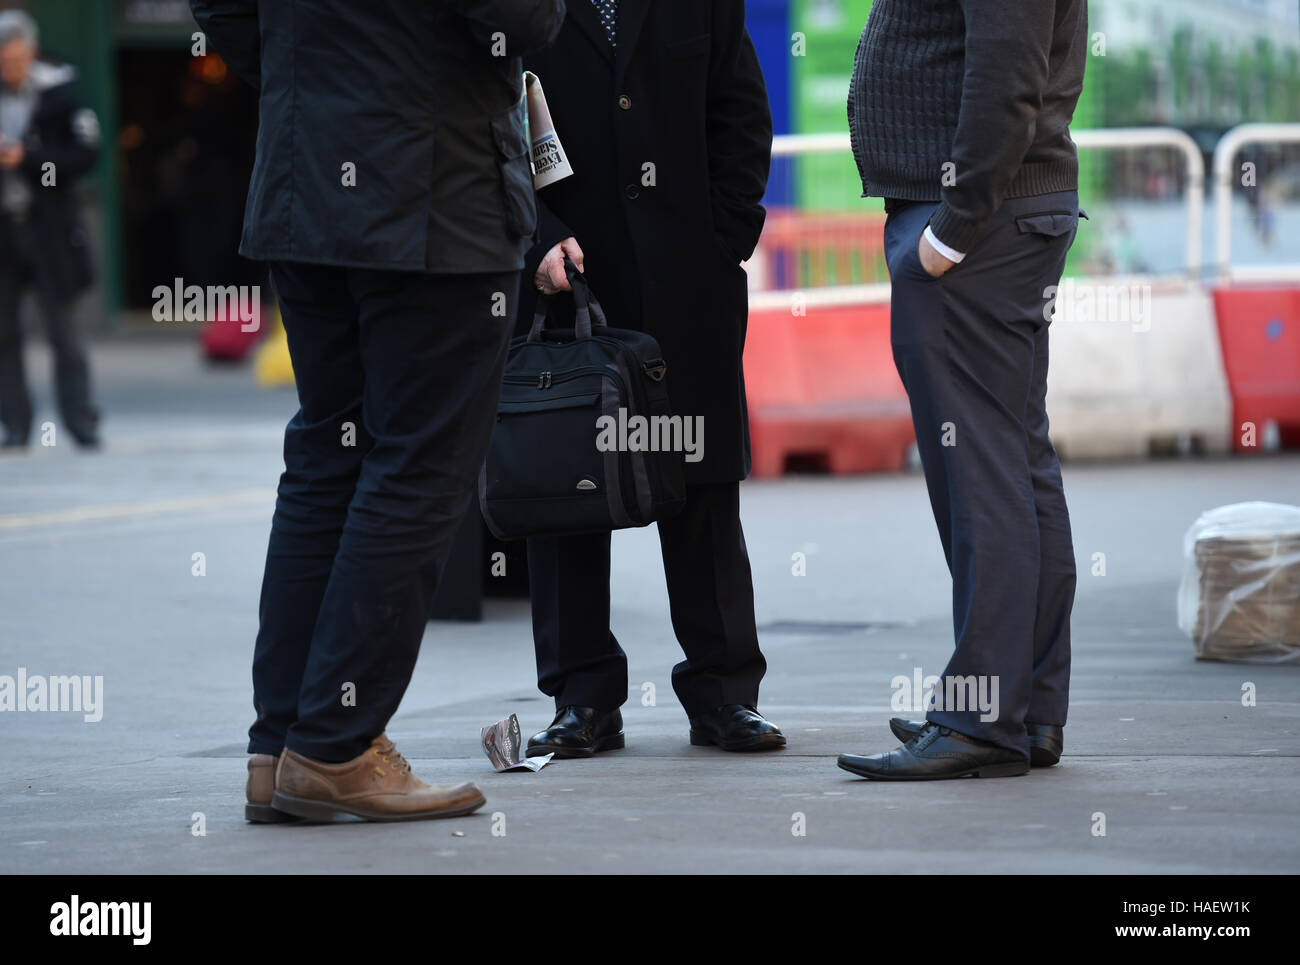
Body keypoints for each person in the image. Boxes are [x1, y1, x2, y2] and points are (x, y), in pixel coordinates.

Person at [190, 0, 566, 822]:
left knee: (328, 457)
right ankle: (334, 744)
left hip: (305, 182)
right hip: (433, 188)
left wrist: (314, 82)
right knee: (418, 470)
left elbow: (220, 8)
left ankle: (281, 745)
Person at [518, 0, 786, 758]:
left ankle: (724, 693)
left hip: (685, 278)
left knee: (700, 484)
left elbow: (741, 109)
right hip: (565, 280)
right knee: (564, 488)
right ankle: (583, 698)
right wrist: (533, 236)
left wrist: (724, 236)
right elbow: (491, 120)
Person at [838, 0, 1087, 780]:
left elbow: (1005, 72)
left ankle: (981, 717)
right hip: (1002, 218)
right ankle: (1025, 709)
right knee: (1015, 461)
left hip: (979, 227)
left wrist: (952, 229)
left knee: (980, 476)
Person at [0, 11, 101, 451]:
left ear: (31, 52)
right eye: (4, 62)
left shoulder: (61, 94)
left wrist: (28, 159)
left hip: (50, 231)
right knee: (4, 334)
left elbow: (85, 155)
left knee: (65, 333)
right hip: (4, 233)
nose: (11, 69)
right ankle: (16, 427)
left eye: (17, 60)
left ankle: (81, 423)